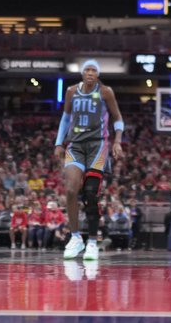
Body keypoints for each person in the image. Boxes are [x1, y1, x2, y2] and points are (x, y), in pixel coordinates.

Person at [55, 60, 124, 262]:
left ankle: (92, 242)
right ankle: (76, 238)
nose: (90, 73)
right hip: (75, 145)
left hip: (98, 145)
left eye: (94, 70)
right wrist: (59, 143)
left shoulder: (106, 92)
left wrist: (118, 140)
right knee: (70, 190)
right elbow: (65, 118)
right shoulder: (71, 91)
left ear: (98, 74)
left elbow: (117, 117)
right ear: (82, 73)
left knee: (91, 193)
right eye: (87, 69)